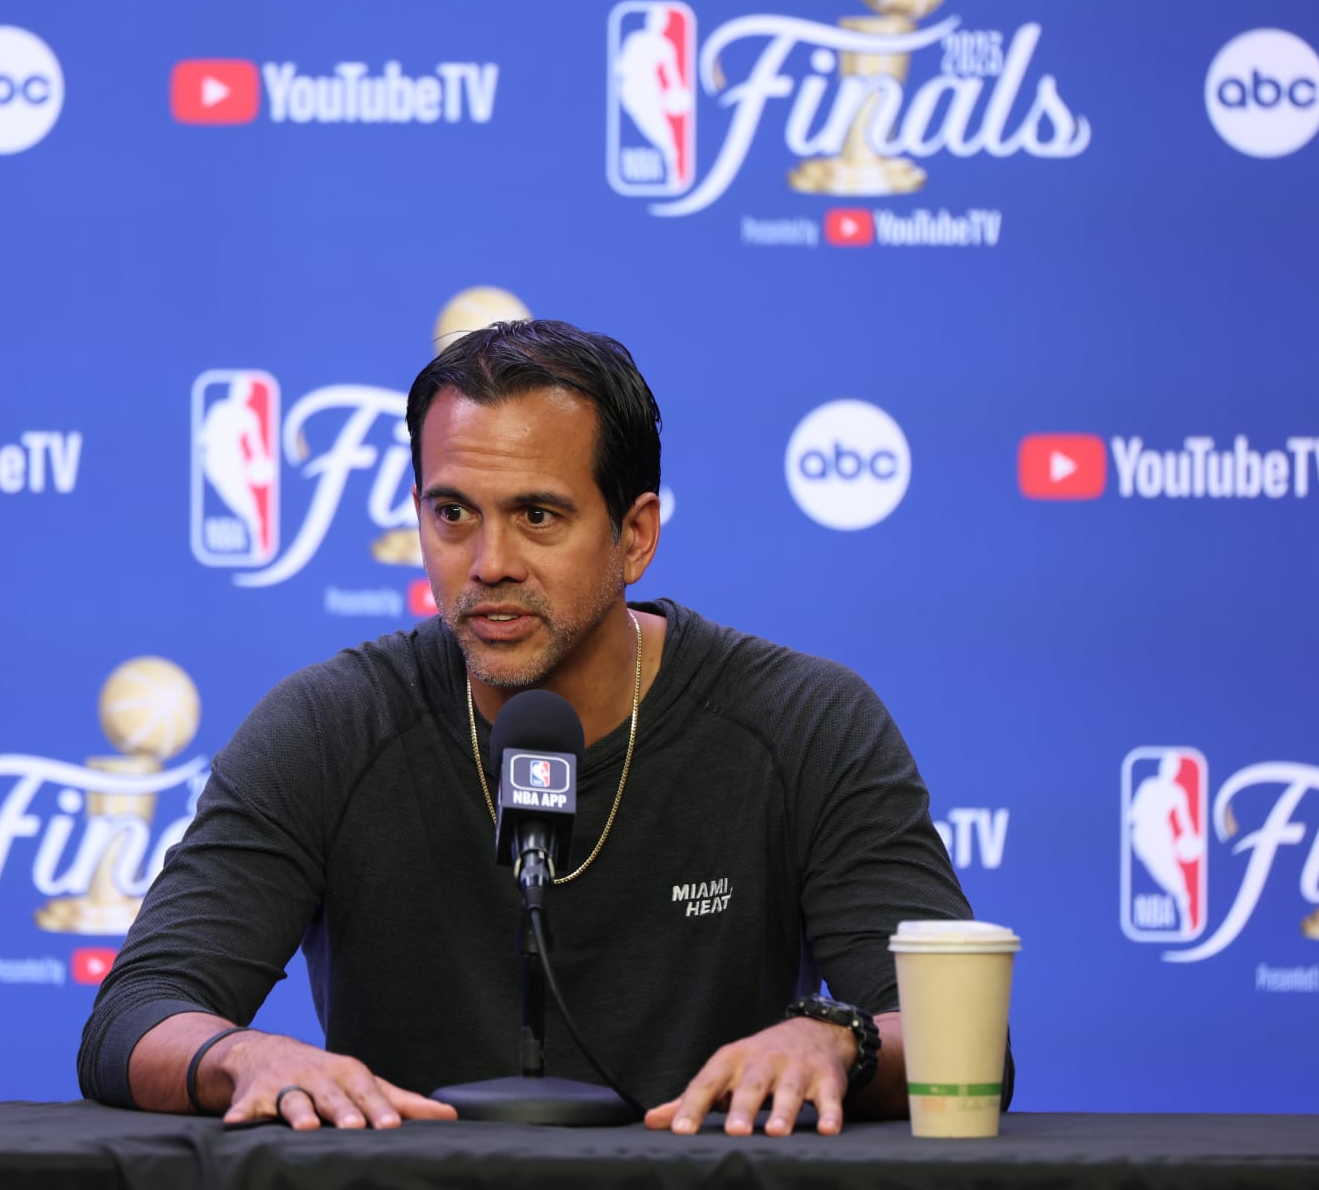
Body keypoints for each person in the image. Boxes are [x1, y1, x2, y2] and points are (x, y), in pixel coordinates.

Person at [79, 319, 997, 1136]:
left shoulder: (802, 720)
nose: (488, 565)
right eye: (453, 516)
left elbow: (964, 1042)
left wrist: (833, 1041)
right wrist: (245, 1058)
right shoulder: (331, 724)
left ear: (635, 535)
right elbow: (138, 1014)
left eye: (538, 516)